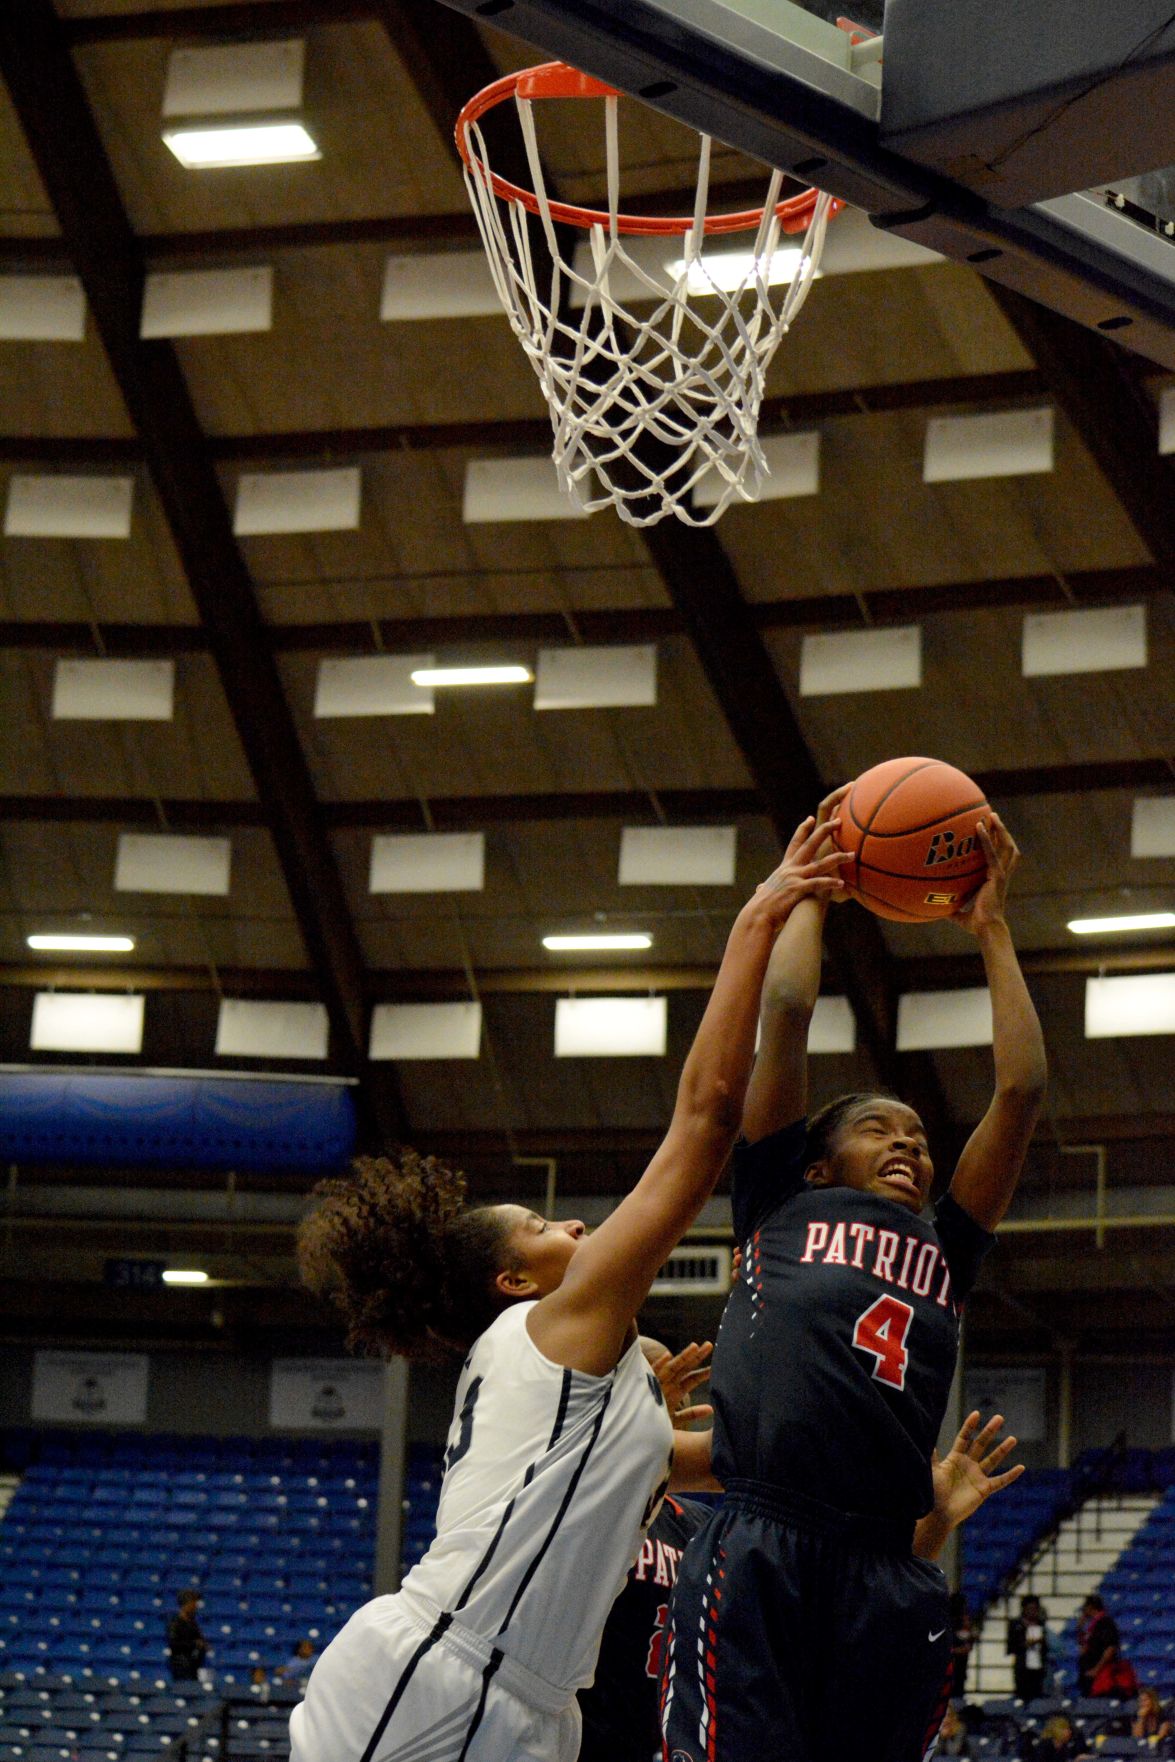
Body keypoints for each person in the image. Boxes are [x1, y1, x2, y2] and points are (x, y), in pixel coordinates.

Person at [289, 815, 850, 1762]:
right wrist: (762, 915)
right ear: (515, 1282)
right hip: (443, 1670)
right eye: (545, 1228)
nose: (578, 1229)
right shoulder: (551, 1329)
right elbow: (709, 1119)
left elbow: (738, 1465)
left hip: (538, 1710)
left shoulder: (587, 1383)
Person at [662, 791, 1047, 1762]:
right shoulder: (777, 1201)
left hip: (887, 1562)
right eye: (879, 1128)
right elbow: (786, 1010)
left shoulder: (943, 1249)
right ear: (817, 1160)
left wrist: (990, 925)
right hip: (760, 1539)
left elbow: (1022, 1088)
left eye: (918, 1138)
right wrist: (810, 894)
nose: (909, 1146)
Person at [1007, 1593, 1050, 1703]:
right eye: (1029, 1608)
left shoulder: (1040, 1624)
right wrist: (1025, 1644)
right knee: (1022, 1696)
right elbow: (1011, 1647)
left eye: (1035, 1609)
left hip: (1037, 1668)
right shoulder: (1015, 1624)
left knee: (1037, 1696)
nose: (1032, 1611)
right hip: (1022, 1667)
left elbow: (1045, 1647)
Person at [1077, 1594, 1122, 1697]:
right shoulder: (1092, 1624)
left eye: (1085, 1608)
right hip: (1088, 1672)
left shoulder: (1106, 1623)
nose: (1083, 1611)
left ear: (1090, 1607)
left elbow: (1110, 1648)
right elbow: (1083, 1645)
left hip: (1099, 1674)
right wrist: (1079, 1628)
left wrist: (1097, 1669)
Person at [166, 1589, 208, 1683]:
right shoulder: (175, 1623)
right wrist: (194, 1644)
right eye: (193, 1603)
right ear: (187, 1604)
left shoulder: (193, 1623)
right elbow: (174, 1644)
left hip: (194, 1665)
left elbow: (199, 1639)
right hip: (180, 1665)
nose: (196, 1606)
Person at [948, 1591, 976, 1702]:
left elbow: (968, 1644)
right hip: (948, 1669)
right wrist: (957, 1650)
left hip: (960, 1668)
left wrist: (971, 1637)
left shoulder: (965, 1623)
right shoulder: (946, 1624)